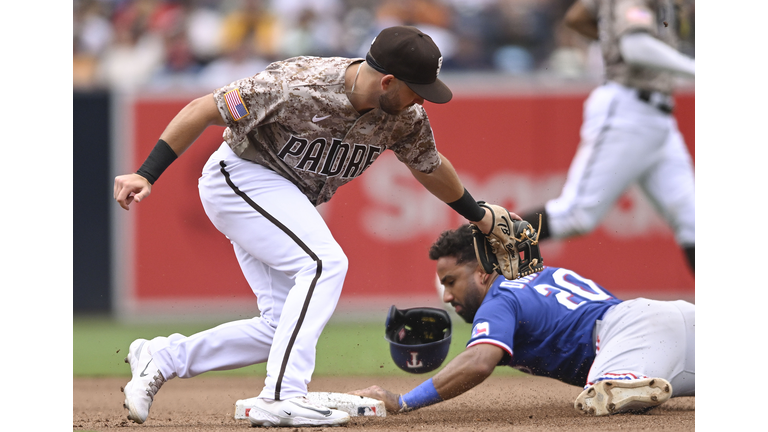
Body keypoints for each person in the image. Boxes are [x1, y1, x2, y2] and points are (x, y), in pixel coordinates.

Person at [113, 26, 511, 428]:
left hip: (285, 198)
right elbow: (204, 108)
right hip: (240, 175)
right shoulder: (296, 83)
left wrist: (477, 214)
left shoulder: (403, 116)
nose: (423, 98)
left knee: (280, 325)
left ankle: (161, 358)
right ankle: (282, 395)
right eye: (418, 88)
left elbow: (429, 164)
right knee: (324, 263)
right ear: (388, 80)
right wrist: (147, 174)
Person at [351, 224, 694, 416]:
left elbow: (480, 362)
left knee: (604, 397)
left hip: (629, 337)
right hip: (666, 317)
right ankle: (632, 376)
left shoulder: (499, 299)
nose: (446, 296)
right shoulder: (538, 274)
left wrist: (405, 401)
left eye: (451, 281)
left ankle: (621, 379)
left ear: (483, 273)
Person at [520, 0, 696, 273]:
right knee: (575, 216)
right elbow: (635, 47)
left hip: (658, 117)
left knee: (694, 221)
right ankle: (474, 247)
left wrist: (607, 35)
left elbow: (579, 15)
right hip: (628, 108)